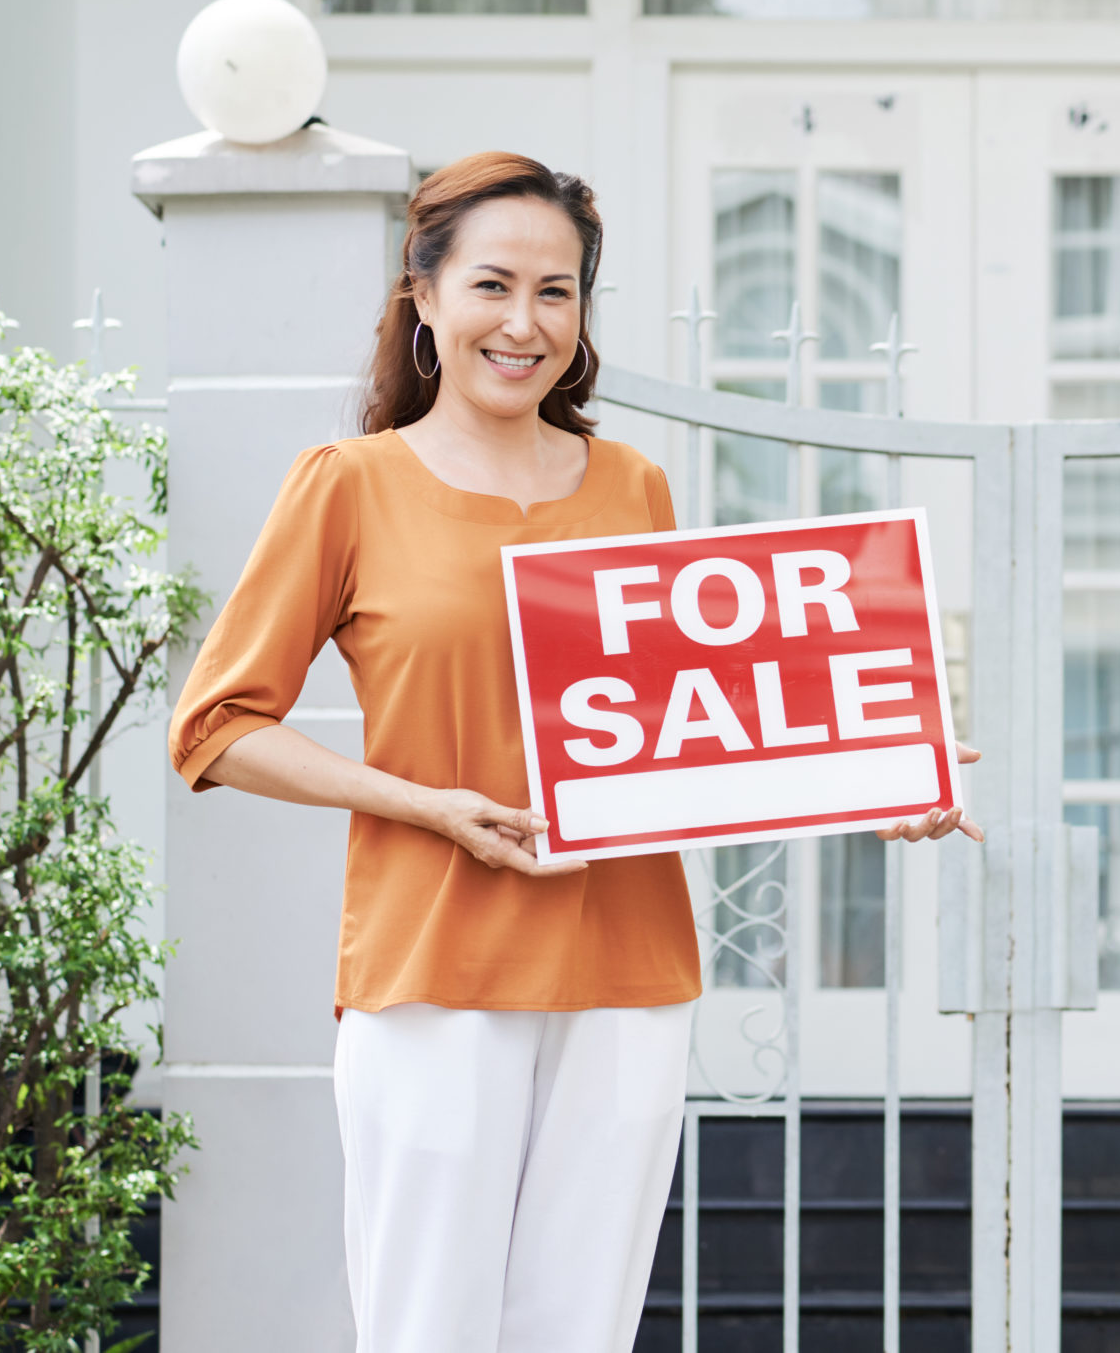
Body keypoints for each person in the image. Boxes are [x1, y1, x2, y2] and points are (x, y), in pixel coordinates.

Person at [168, 151, 978, 1353]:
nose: (524, 321)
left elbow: (688, 715)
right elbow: (216, 727)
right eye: (494, 284)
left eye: (558, 291)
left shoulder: (632, 482)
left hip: (626, 964)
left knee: (579, 1331)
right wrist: (429, 804)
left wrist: (874, 768)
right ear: (425, 292)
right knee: (428, 1326)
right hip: (433, 963)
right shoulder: (349, 485)